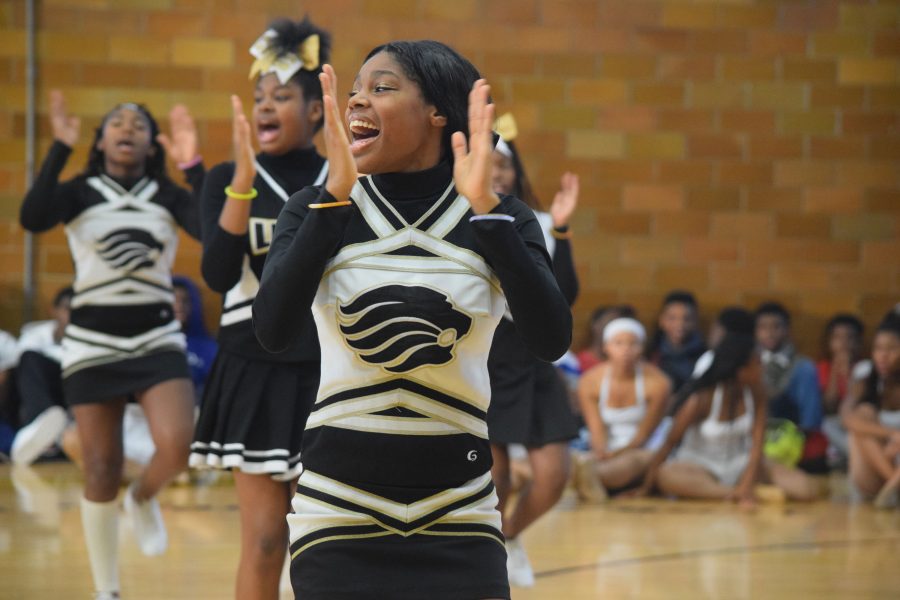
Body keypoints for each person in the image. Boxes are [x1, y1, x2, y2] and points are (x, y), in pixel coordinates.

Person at [253, 41, 571, 599]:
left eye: (381, 88)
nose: (357, 101)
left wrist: (489, 216)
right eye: (354, 91)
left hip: (460, 513)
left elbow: (551, 340)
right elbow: (273, 330)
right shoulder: (315, 206)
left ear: (436, 113)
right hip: (337, 512)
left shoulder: (501, 217)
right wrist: (332, 200)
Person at [19, 90, 203, 600]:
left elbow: (212, 231)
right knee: (100, 468)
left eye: (139, 124)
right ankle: (108, 590)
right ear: (101, 140)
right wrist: (58, 147)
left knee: (180, 442)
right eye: (117, 122)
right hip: (92, 341)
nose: (128, 128)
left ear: (150, 144)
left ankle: (143, 498)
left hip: (156, 337)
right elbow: (32, 218)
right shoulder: (79, 191)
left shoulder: (167, 194)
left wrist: (195, 166)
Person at [187, 17, 331, 600]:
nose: (266, 106)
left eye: (282, 96)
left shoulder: (343, 177)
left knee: (325, 541)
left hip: (328, 370)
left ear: (317, 110)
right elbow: (218, 274)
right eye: (258, 97)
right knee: (266, 540)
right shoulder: (227, 176)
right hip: (253, 367)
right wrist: (243, 179)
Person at [485, 113, 579, 587]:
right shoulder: (466, 218)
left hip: (535, 356)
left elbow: (565, 296)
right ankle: (487, 562)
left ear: (516, 173)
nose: (498, 173)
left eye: (505, 166)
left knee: (554, 473)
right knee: (494, 477)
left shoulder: (536, 221)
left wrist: (560, 231)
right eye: (491, 164)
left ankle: (508, 537)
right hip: (488, 357)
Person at [633, 308, 819, 505]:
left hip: (741, 463)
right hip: (699, 465)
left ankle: (740, 491)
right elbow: (668, 445)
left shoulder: (757, 395)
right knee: (667, 476)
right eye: (756, 364)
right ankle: (728, 493)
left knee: (804, 489)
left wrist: (747, 483)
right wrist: (647, 486)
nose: (761, 368)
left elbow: (757, 448)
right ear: (738, 368)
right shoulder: (702, 398)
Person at [574, 318, 671, 501]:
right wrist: (601, 451)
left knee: (631, 461)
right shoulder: (590, 381)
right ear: (606, 347)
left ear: (642, 348)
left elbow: (643, 437)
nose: (626, 350)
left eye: (633, 344)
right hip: (605, 450)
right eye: (618, 343)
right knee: (573, 458)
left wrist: (615, 454)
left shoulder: (659, 383)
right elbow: (596, 431)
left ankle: (592, 478)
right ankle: (591, 476)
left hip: (643, 449)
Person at [755, 301, 826, 472]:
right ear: (755, 331)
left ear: (787, 330)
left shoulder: (801, 364)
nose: (770, 333)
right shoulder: (751, 362)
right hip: (758, 428)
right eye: (763, 327)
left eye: (776, 327)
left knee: (806, 369)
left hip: (791, 428)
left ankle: (801, 450)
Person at [842, 312, 900, 508]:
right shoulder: (865, 381)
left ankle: (894, 484)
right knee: (863, 417)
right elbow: (847, 419)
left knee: (862, 429)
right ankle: (894, 484)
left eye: (891, 349)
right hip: (877, 471)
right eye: (878, 349)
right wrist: (893, 434)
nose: (883, 356)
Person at [9, 286, 73, 465]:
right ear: (53, 310)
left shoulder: (89, 339)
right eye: (68, 309)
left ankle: (54, 435)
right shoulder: (34, 335)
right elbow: (23, 368)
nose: (73, 316)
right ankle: (43, 425)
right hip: (43, 396)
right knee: (28, 359)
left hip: (73, 390)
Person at [817, 313, 865, 467]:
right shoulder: (823, 368)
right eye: (837, 338)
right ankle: (861, 457)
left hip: (859, 423)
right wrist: (835, 372)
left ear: (859, 343)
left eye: (850, 338)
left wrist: (850, 376)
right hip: (835, 423)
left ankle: (859, 457)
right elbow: (829, 406)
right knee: (826, 425)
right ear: (829, 342)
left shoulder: (865, 367)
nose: (844, 344)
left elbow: (861, 406)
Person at [646, 290, 706, 394]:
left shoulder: (705, 357)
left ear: (696, 321)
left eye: (687, 319)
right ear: (661, 321)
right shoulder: (650, 355)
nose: (680, 324)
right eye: (672, 318)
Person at [172, 275, 217, 401]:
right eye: (174, 300)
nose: (179, 306)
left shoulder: (209, 347)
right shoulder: (152, 345)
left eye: (185, 301)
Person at [575, 305, 637, 373]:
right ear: (595, 325)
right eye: (610, 322)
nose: (617, 330)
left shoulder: (631, 365)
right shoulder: (578, 363)